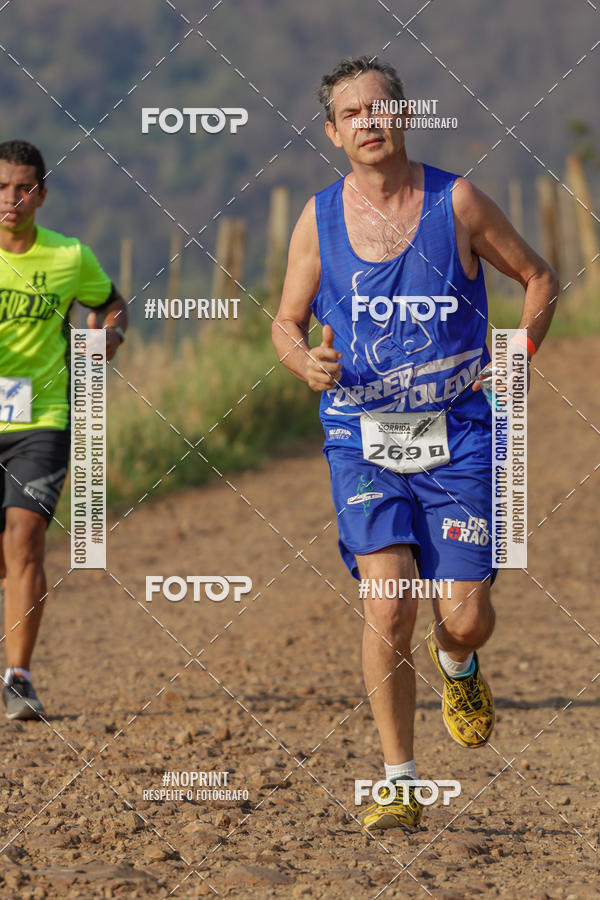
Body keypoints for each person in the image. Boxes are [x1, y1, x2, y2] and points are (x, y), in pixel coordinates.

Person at [272, 57, 557, 831]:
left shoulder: (455, 201)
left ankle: (458, 661)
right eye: (350, 114)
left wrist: (517, 355)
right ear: (333, 134)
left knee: (462, 616)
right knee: (388, 601)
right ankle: (398, 781)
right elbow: (285, 323)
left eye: (379, 108)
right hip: (362, 436)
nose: (367, 122)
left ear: (404, 117)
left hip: (458, 434)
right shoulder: (317, 218)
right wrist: (305, 362)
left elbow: (538, 277)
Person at [0, 139, 127, 720]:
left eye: (23, 188)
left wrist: (109, 337)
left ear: (42, 195)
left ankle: (18, 675)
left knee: (25, 538)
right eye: (2, 188)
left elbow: (112, 303)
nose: (12, 198)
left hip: (42, 418)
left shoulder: (69, 256)